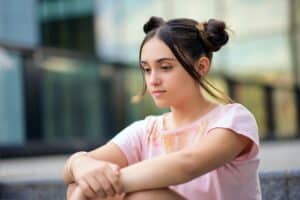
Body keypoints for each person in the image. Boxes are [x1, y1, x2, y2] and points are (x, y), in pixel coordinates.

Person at [62, 16, 261, 200]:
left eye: (165, 67)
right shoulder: (146, 131)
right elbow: (72, 172)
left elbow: (187, 165)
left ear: (201, 67)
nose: (153, 80)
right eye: (146, 70)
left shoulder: (234, 119)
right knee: (83, 185)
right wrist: (80, 164)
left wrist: (100, 185)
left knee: (141, 197)